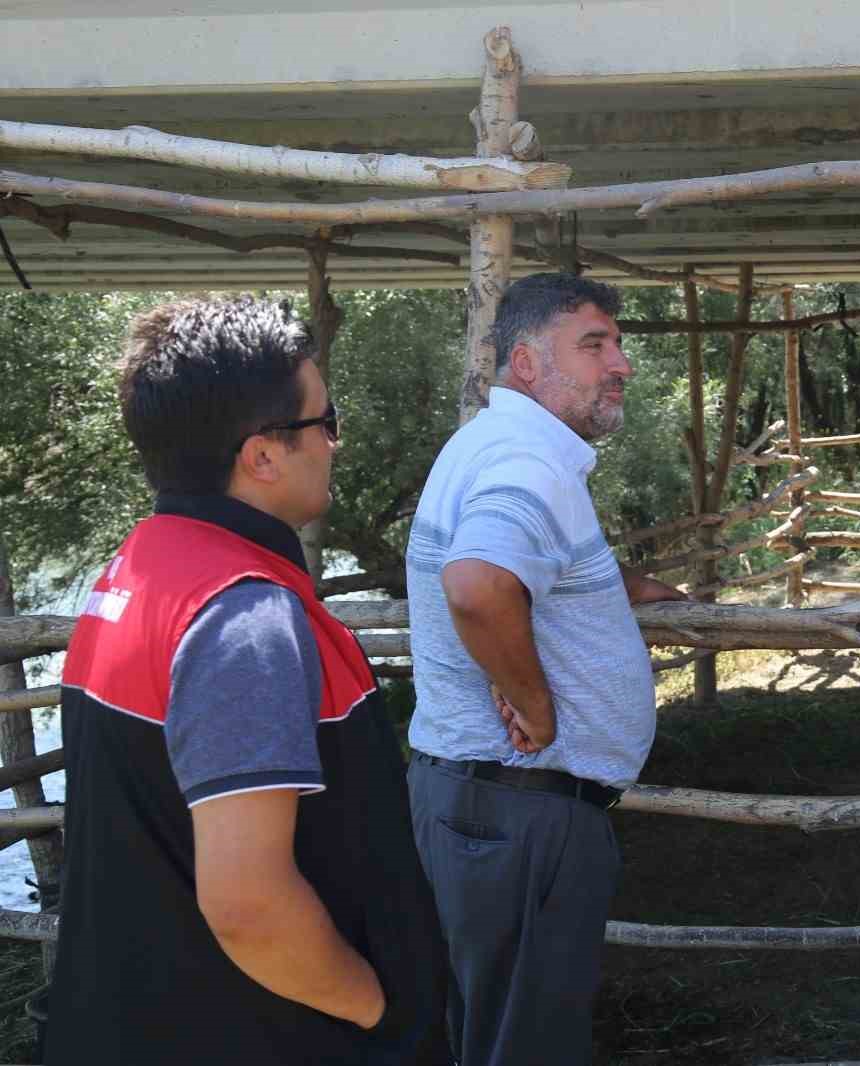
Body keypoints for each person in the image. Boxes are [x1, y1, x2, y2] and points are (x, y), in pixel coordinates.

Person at [48, 296, 448, 1064]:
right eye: (324, 422)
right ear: (262, 455)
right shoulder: (244, 621)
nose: (337, 442)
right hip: (266, 1034)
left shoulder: (137, 572)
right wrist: (380, 1012)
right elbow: (249, 907)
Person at [406, 273, 685, 1066]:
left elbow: (511, 568)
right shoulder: (529, 460)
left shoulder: (497, 447)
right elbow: (479, 582)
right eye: (594, 345)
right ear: (526, 364)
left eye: (618, 344)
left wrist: (609, 589)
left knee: (488, 1035)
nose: (621, 363)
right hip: (521, 806)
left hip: (482, 803)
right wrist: (538, 707)